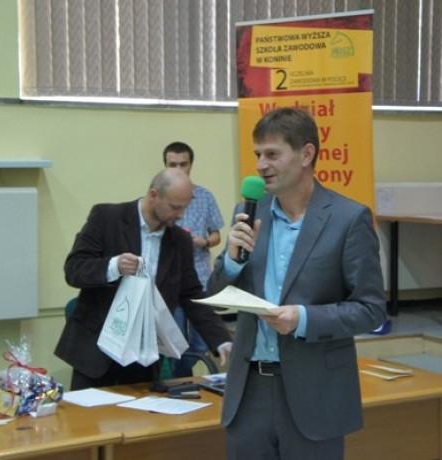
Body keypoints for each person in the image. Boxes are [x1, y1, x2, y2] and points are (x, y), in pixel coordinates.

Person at [207, 107, 387, 460]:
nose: (261, 165)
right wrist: (231, 260)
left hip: (315, 394)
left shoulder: (348, 219)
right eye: (258, 154)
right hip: (249, 392)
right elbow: (214, 295)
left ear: (306, 154)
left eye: (272, 154)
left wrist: (302, 319)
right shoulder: (249, 213)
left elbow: (371, 309)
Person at [55, 168, 232, 390]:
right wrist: (113, 266)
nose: (181, 215)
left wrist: (221, 340)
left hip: (143, 359)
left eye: (185, 207)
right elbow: (74, 269)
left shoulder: (180, 241)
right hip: (96, 353)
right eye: (175, 207)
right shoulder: (106, 218)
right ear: (153, 195)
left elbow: (192, 295)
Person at [163, 141, 225, 377]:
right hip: (170, 280)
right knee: (175, 341)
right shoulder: (160, 199)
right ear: (165, 166)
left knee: (200, 343)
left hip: (199, 277)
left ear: (191, 165)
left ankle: (182, 377)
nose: (179, 169)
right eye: (173, 164)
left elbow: (217, 235)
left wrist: (203, 242)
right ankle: (179, 380)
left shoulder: (205, 196)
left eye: (183, 164)